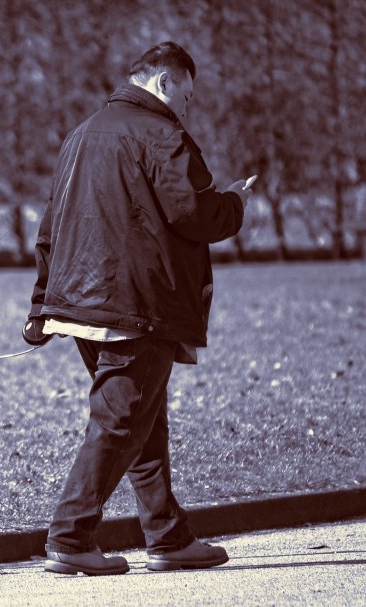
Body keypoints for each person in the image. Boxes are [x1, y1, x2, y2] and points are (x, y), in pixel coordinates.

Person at [24, 41, 253, 576]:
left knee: (141, 418)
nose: (186, 108)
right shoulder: (162, 134)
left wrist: (41, 305)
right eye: (187, 96)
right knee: (122, 419)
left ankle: (168, 536)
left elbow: (49, 228)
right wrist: (237, 204)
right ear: (164, 82)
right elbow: (193, 213)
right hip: (136, 304)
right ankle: (70, 535)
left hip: (78, 302)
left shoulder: (79, 136)